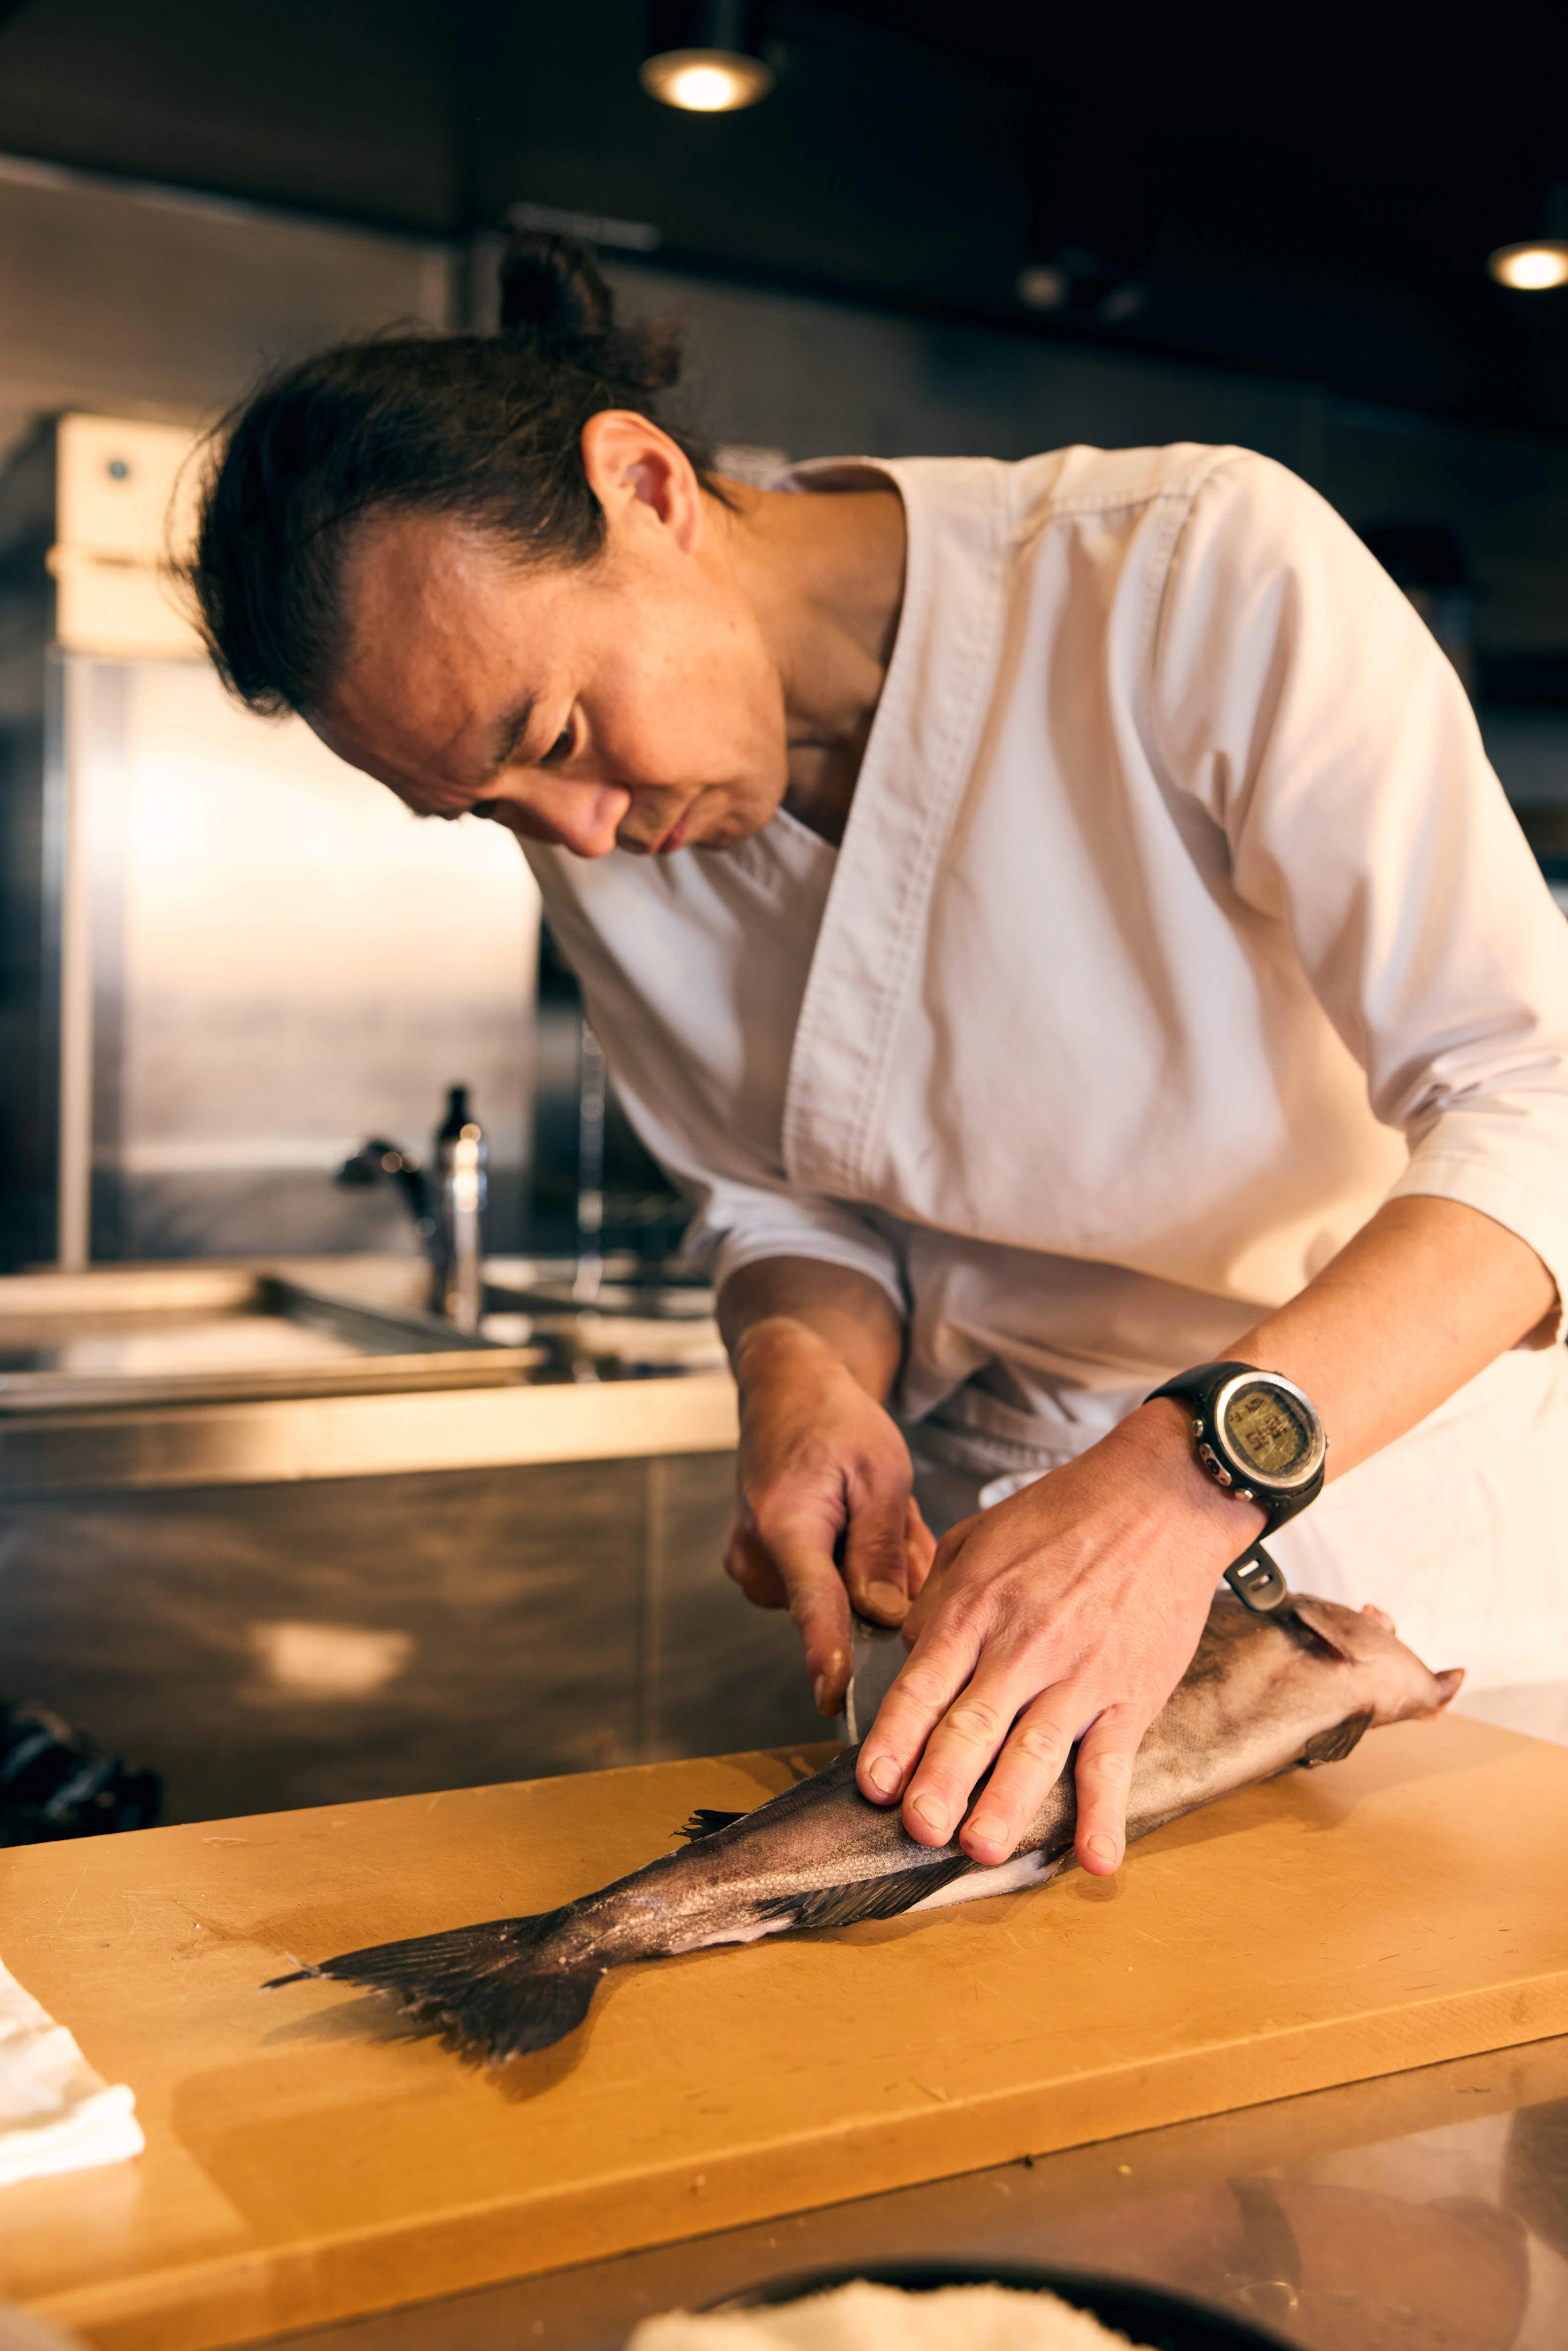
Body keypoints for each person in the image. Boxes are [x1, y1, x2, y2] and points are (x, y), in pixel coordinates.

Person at [187, 233, 1568, 1883]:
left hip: (1393, 1515)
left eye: (552, 736)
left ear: (646, 487)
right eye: (490, 811)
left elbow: (1533, 1100)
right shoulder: (604, 824)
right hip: (999, 1549)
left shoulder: (1190, 569)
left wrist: (1182, 1486)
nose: (579, 833)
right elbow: (785, 1204)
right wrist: (805, 1369)